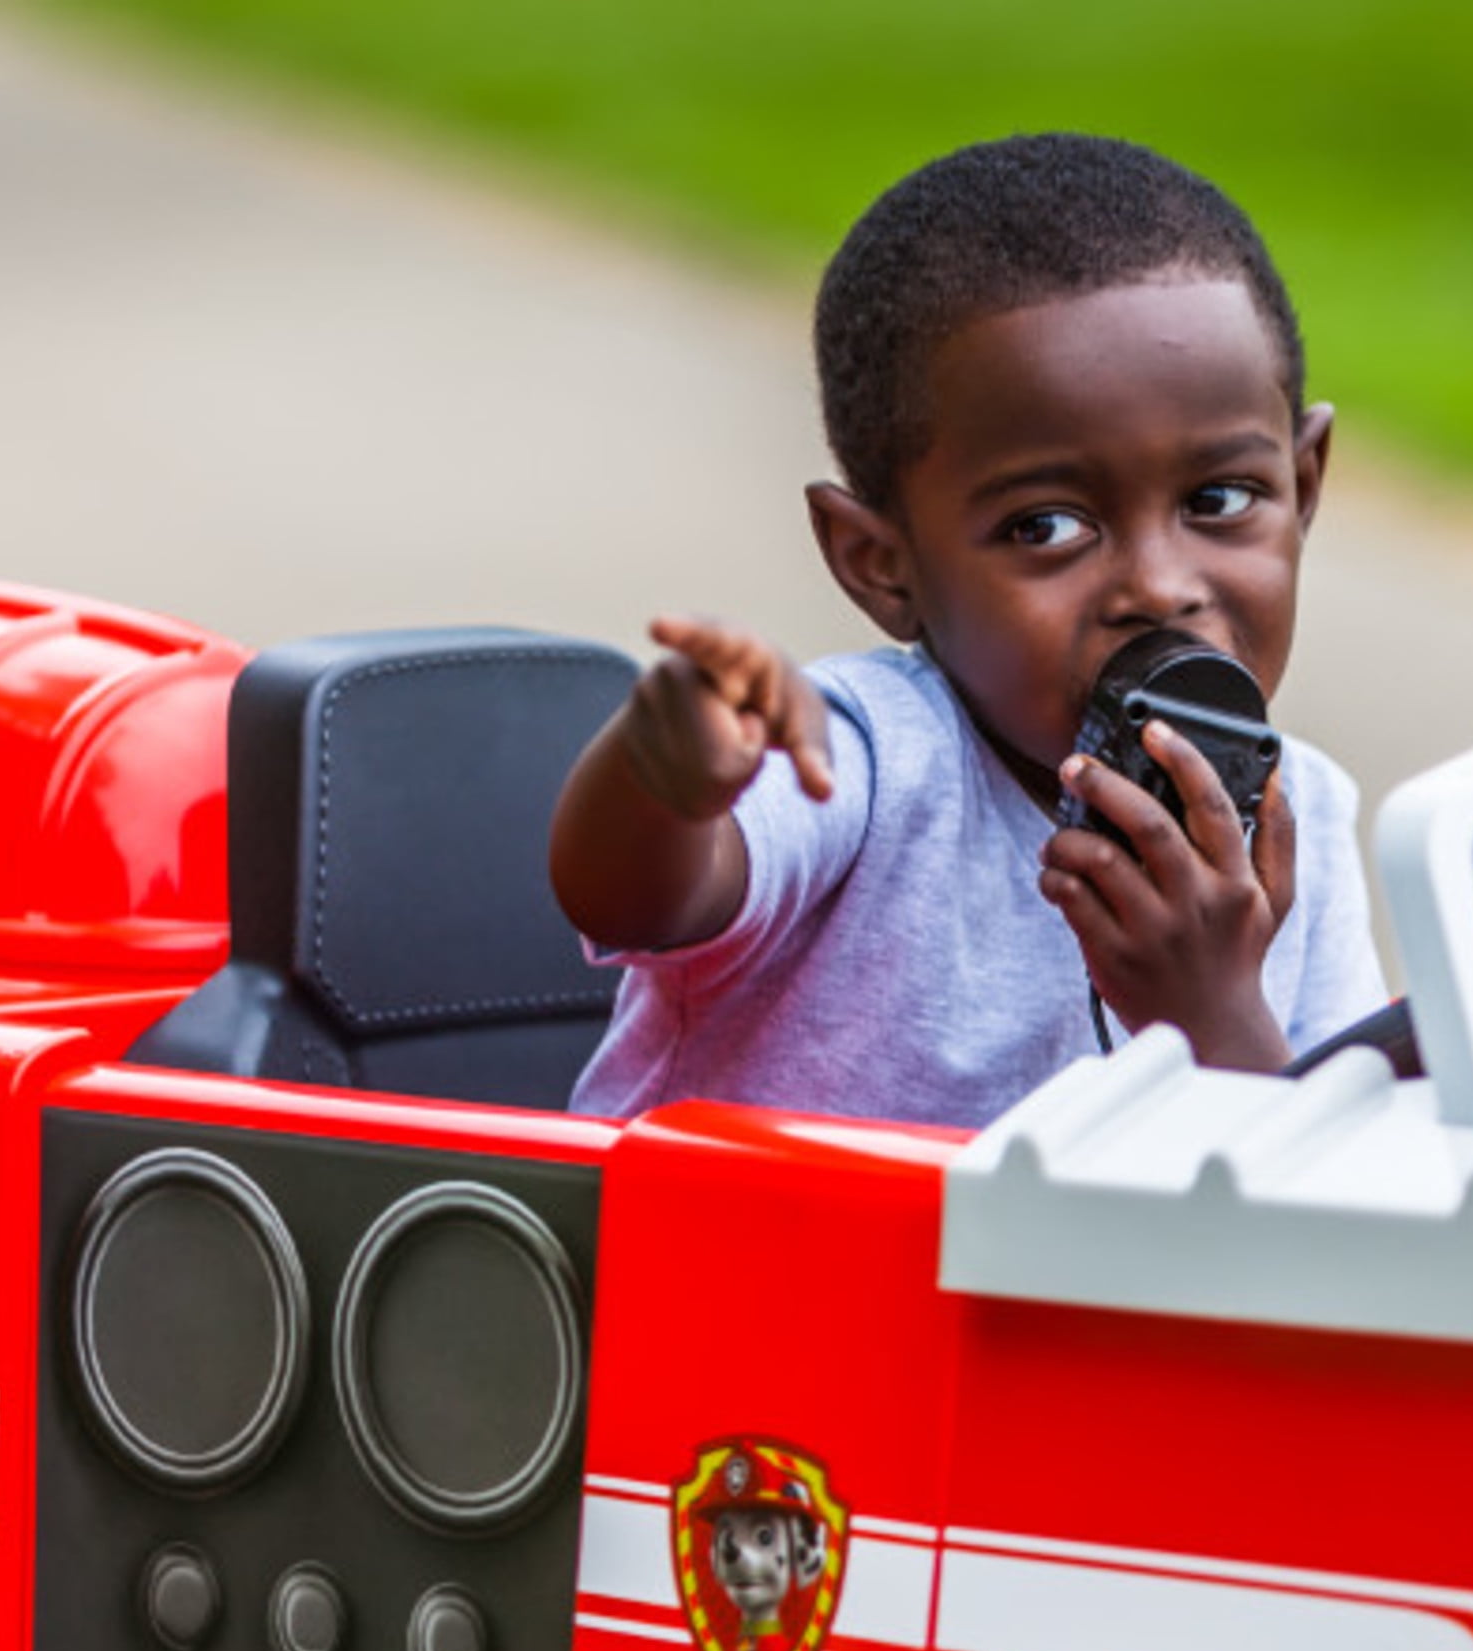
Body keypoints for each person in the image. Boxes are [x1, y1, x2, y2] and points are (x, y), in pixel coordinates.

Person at [550, 133, 1387, 1128]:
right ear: (880, 562)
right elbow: (633, 898)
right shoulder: (864, 764)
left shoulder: (1305, 820)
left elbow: (1335, 1187)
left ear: (1305, 485)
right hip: (719, 1278)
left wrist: (1212, 1017)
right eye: (1047, 527)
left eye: (1219, 498)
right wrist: (664, 782)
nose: (1161, 588)